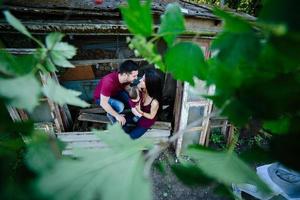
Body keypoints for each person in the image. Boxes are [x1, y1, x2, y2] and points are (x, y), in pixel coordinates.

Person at [93, 60, 138, 125]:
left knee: (130, 101)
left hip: (115, 93)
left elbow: (127, 88)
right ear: (125, 75)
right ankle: (111, 114)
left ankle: (134, 116)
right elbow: (103, 103)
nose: (136, 78)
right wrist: (117, 115)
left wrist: (136, 94)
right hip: (101, 99)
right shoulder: (109, 81)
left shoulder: (126, 79)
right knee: (120, 106)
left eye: (136, 75)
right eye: (134, 76)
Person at [123, 68, 162, 139]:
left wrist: (140, 112)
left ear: (149, 84)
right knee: (120, 123)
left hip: (145, 122)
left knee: (130, 138)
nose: (140, 80)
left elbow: (151, 116)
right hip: (136, 115)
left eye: (143, 80)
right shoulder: (140, 89)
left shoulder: (154, 102)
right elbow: (131, 94)